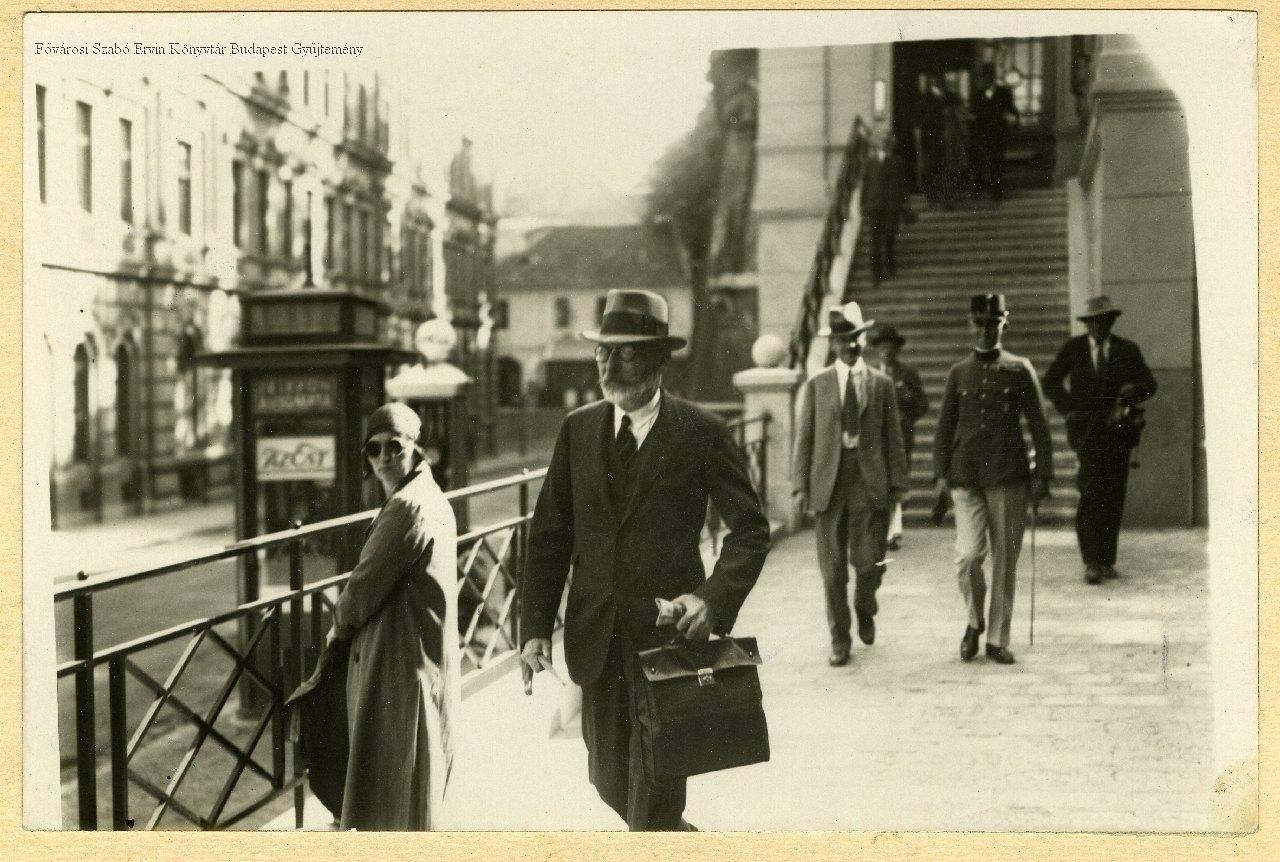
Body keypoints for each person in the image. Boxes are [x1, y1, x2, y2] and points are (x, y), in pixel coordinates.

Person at [519, 289, 770, 832]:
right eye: (603, 352)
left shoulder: (701, 431)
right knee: (608, 777)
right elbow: (550, 536)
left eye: (627, 353)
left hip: (667, 638)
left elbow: (750, 531)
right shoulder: (578, 430)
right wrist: (534, 628)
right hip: (595, 635)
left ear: (659, 359)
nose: (609, 366)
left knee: (657, 784)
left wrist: (710, 600)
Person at [329, 402, 460, 830]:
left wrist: (337, 627)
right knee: (412, 793)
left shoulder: (407, 506)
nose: (383, 457)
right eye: (374, 449)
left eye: (395, 447)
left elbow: (361, 589)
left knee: (393, 799)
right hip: (419, 662)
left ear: (416, 449)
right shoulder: (427, 496)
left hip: (399, 669)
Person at [933, 294, 1053, 665]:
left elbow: (1039, 426)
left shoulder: (1020, 369)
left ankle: (997, 639)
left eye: (994, 323)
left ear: (1005, 323)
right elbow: (944, 427)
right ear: (971, 324)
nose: (987, 330)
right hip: (966, 476)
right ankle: (974, 621)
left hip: (1008, 475)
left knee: (1004, 561)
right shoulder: (959, 372)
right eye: (980, 323)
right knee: (968, 557)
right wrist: (940, 475)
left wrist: (1042, 476)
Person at [793, 302, 910, 667]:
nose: (851, 345)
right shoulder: (817, 385)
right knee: (832, 573)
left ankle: (865, 605)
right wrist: (800, 486)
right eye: (843, 339)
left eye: (856, 337)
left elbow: (894, 438)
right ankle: (839, 639)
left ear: (863, 340)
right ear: (833, 344)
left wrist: (898, 483)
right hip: (828, 484)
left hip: (869, 483)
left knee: (869, 564)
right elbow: (804, 439)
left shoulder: (881, 385)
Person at [1042, 295, 1158, 585]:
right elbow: (1050, 381)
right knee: (1091, 492)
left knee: (1113, 494)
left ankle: (1107, 560)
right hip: (1086, 432)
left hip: (1119, 432)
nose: (1098, 326)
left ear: (1111, 321)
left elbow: (1150, 384)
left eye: (1104, 321)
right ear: (1086, 324)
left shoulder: (1127, 350)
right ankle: (1091, 562)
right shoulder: (1073, 349)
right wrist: (1068, 409)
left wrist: (1134, 390)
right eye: (1093, 321)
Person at [867, 323, 928, 550]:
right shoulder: (869, 373)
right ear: (877, 350)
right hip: (875, 438)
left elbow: (923, 405)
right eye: (882, 347)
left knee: (897, 482)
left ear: (897, 349)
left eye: (890, 347)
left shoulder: (908, 374)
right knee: (878, 481)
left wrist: (906, 397)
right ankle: (882, 529)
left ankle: (893, 531)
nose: (886, 352)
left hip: (901, 437)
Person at [860, 133, 910, 282]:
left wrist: (904, 203)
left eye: (887, 143)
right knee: (875, 240)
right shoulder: (870, 163)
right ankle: (876, 273)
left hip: (891, 207)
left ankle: (890, 267)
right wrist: (863, 205)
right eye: (882, 143)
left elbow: (902, 184)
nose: (885, 145)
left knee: (889, 237)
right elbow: (865, 185)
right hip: (874, 206)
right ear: (877, 145)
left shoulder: (897, 162)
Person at [971, 62, 1018, 202]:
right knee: (983, 162)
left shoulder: (1003, 92)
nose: (984, 79)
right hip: (982, 135)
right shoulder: (977, 94)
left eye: (986, 76)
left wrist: (1012, 120)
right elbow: (974, 113)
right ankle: (984, 189)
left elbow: (1012, 110)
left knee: (996, 161)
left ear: (991, 77)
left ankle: (996, 192)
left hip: (998, 133)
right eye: (983, 76)